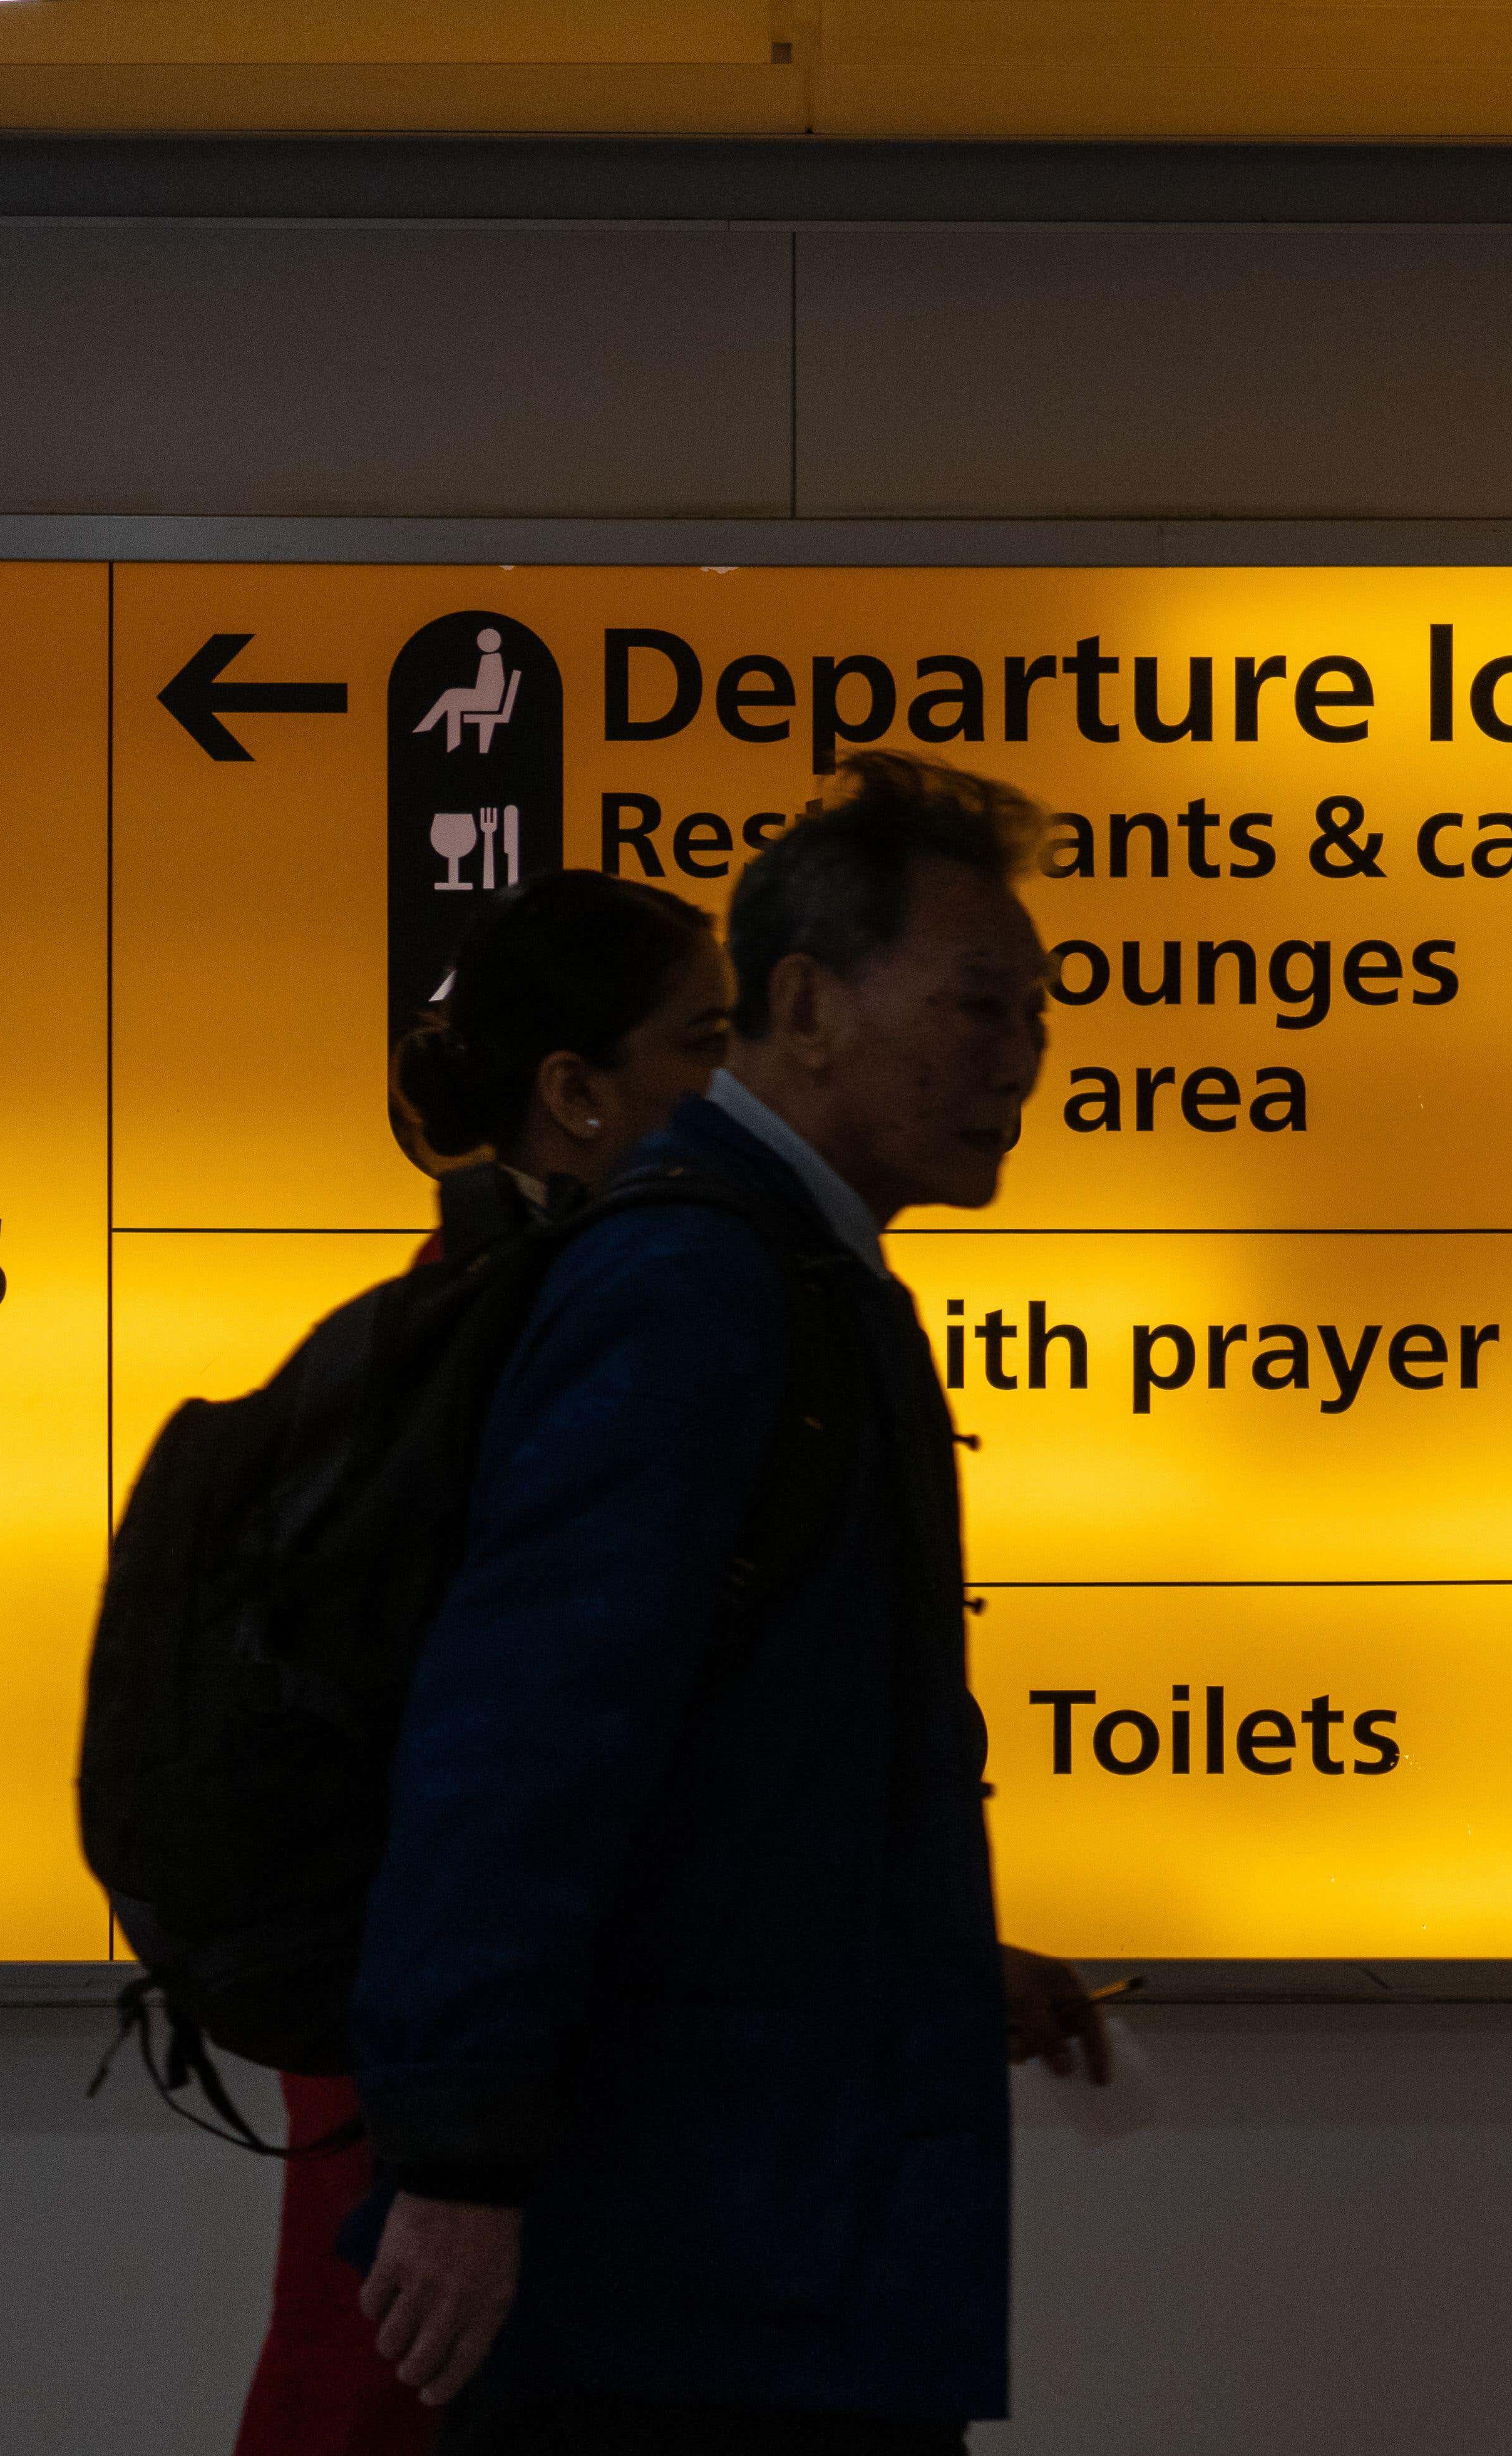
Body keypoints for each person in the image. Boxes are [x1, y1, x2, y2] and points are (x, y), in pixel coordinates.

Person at [350, 753, 1111, 2455]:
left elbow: (740, 1763)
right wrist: (462, 2158)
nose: (1026, 1053)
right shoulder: (694, 1283)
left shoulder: (797, 1275)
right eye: (980, 1002)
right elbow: (524, 1730)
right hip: (683, 2281)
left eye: (1039, 1008)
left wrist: (921, 1958)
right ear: (804, 1003)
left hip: (773, 2251)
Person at [235, 870, 732, 2456]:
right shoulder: (565, 1351)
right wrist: (461, 2146)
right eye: (702, 1044)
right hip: (480, 2071)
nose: (742, 1088)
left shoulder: (455, 1325)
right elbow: (522, 1755)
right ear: (573, 1094)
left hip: (432, 2052)